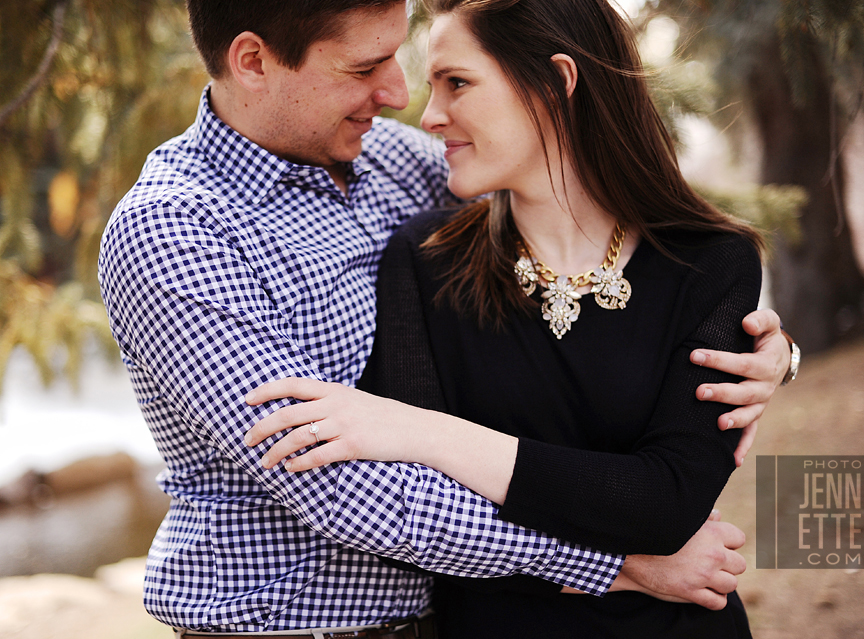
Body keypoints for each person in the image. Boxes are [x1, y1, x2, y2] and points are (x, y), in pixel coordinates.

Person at [99, 0, 791, 635]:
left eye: (408, 64)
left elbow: (581, 193)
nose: (401, 97)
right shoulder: (174, 230)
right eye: (366, 67)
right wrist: (620, 563)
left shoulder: (390, 162)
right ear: (254, 62)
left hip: (445, 618)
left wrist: (752, 338)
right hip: (292, 627)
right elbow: (342, 488)